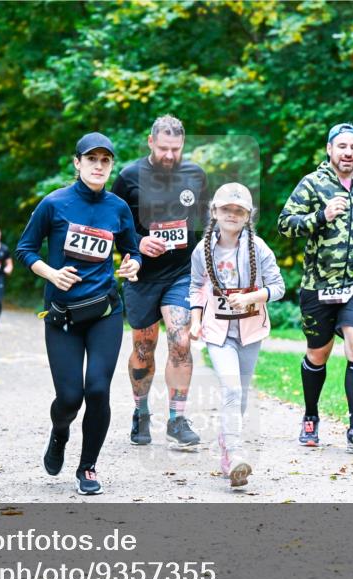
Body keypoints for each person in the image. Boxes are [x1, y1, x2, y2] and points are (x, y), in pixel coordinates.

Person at [15, 132, 142, 496]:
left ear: (110, 165)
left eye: (105, 160)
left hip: (104, 311)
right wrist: (51, 272)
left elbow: (133, 250)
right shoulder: (54, 204)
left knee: (98, 389)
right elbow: (25, 249)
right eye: (91, 159)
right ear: (77, 163)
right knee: (70, 397)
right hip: (62, 316)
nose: (98, 166)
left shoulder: (118, 207)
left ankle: (87, 467)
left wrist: (133, 264)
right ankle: (59, 433)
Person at [277, 122, 353, 453]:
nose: (348, 153)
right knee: (319, 353)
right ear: (329, 149)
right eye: (342, 146)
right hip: (318, 286)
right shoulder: (312, 184)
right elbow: (285, 225)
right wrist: (321, 215)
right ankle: (310, 417)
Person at [110, 114, 208, 448]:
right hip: (142, 277)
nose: (169, 155)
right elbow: (111, 224)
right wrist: (136, 242)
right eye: (164, 148)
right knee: (144, 345)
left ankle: (177, 419)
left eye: (176, 149)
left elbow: (206, 223)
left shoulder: (195, 175)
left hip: (181, 274)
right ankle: (141, 413)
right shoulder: (128, 177)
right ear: (151, 142)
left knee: (181, 341)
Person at [189, 183, 285, 487]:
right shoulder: (202, 250)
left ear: (248, 216)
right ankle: (234, 454)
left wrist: (251, 297)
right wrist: (195, 321)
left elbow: (279, 288)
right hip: (217, 331)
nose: (232, 214)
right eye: (226, 209)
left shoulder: (260, 248)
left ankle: (225, 445)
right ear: (214, 212)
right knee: (231, 388)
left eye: (239, 210)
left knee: (240, 394)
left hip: (250, 330)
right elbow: (194, 287)